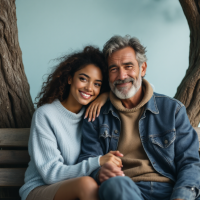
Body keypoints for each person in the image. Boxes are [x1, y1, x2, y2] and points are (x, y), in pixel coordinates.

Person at [78, 36, 200, 200]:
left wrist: (181, 197)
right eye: (114, 69)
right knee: (113, 185)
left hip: (171, 190)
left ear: (142, 69)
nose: (122, 76)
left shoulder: (173, 110)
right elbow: (88, 159)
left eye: (128, 66)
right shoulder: (95, 115)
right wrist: (99, 171)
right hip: (124, 189)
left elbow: (190, 162)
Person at [19, 46, 124, 200]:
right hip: (41, 189)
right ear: (69, 78)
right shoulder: (46, 115)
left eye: (97, 84)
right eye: (83, 79)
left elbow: (141, 92)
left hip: (76, 188)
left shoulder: (93, 115)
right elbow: (50, 174)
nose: (89, 88)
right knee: (87, 185)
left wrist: (107, 96)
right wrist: (98, 161)